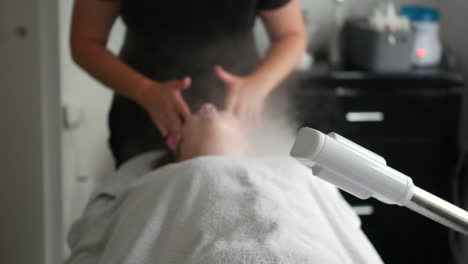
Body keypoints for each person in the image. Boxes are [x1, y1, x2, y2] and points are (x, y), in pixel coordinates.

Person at [70, 0, 307, 167]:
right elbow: (85, 42)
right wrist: (144, 91)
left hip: (239, 117)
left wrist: (258, 84)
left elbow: (291, 35)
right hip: (146, 120)